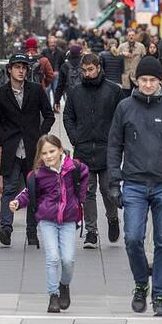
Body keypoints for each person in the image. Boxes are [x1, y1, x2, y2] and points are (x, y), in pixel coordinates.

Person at [106, 55, 162, 317]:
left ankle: (159, 295)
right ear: (136, 80)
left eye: (152, 80)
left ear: (160, 82)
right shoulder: (125, 107)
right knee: (133, 238)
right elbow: (114, 146)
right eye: (143, 80)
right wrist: (114, 182)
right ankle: (140, 283)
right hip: (134, 182)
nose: (147, 85)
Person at [8, 135, 90, 313]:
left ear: (60, 150)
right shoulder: (38, 174)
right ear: (40, 155)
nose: (48, 156)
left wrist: (80, 198)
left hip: (68, 220)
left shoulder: (73, 167)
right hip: (47, 220)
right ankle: (53, 295)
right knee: (52, 258)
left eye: (52, 151)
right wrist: (18, 202)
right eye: (44, 153)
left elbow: (85, 174)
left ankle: (64, 285)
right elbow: (28, 192)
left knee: (68, 260)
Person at [62, 53, 126, 248]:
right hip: (83, 148)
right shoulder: (76, 91)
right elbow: (68, 116)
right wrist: (75, 138)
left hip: (107, 148)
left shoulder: (113, 90)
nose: (87, 73)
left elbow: (122, 117)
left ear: (98, 68)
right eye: (84, 70)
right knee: (87, 191)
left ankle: (112, 218)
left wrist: (116, 141)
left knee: (108, 190)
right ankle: (91, 231)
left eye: (90, 69)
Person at [0, 52, 55, 247]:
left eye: (24, 68)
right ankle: (6, 228)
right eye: (17, 67)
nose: (21, 71)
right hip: (12, 148)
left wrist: (40, 136)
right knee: (9, 189)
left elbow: (49, 115)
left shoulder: (36, 90)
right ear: (9, 70)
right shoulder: (1, 93)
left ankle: (31, 231)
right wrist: (4, 137)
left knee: (33, 190)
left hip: (32, 149)